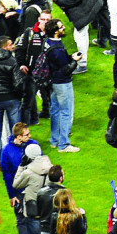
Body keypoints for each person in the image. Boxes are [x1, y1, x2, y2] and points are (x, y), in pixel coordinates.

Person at [43, 19, 82, 152]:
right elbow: (65, 69)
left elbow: (59, 62)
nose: (64, 28)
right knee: (66, 112)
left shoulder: (48, 42)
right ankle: (63, 145)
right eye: (61, 27)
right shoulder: (58, 50)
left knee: (54, 110)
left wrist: (70, 57)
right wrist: (75, 61)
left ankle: (54, 140)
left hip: (52, 81)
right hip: (62, 83)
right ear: (55, 31)